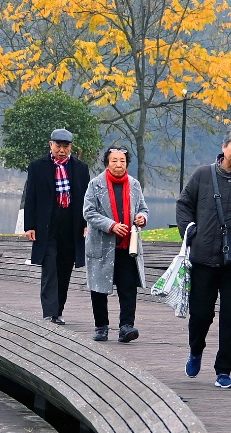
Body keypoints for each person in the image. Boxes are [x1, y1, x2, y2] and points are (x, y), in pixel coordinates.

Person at [176, 124, 231, 389]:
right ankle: (196, 349)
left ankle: (224, 370)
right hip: (204, 258)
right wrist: (190, 233)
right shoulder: (203, 175)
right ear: (224, 147)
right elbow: (184, 205)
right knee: (201, 315)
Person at [24, 129, 91, 324]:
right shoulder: (38, 167)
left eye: (66, 146)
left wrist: (86, 223)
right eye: (58, 146)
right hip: (47, 225)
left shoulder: (80, 168)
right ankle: (49, 312)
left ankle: (58, 310)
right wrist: (30, 225)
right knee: (50, 267)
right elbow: (31, 198)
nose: (61, 150)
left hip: (71, 225)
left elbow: (86, 199)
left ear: (71, 147)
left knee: (64, 269)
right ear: (50, 145)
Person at [83, 146, 149, 343]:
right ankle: (101, 326)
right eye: (114, 160)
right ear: (107, 163)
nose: (118, 164)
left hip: (128, 246)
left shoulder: (134, 185)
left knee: (128, 287)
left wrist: (141, 218)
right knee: (99, 287)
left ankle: (126, 326)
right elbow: (89, 212)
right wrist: (111, 225)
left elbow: (143, 209)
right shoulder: (95, 184)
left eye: (122, 160)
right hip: (102, 244)